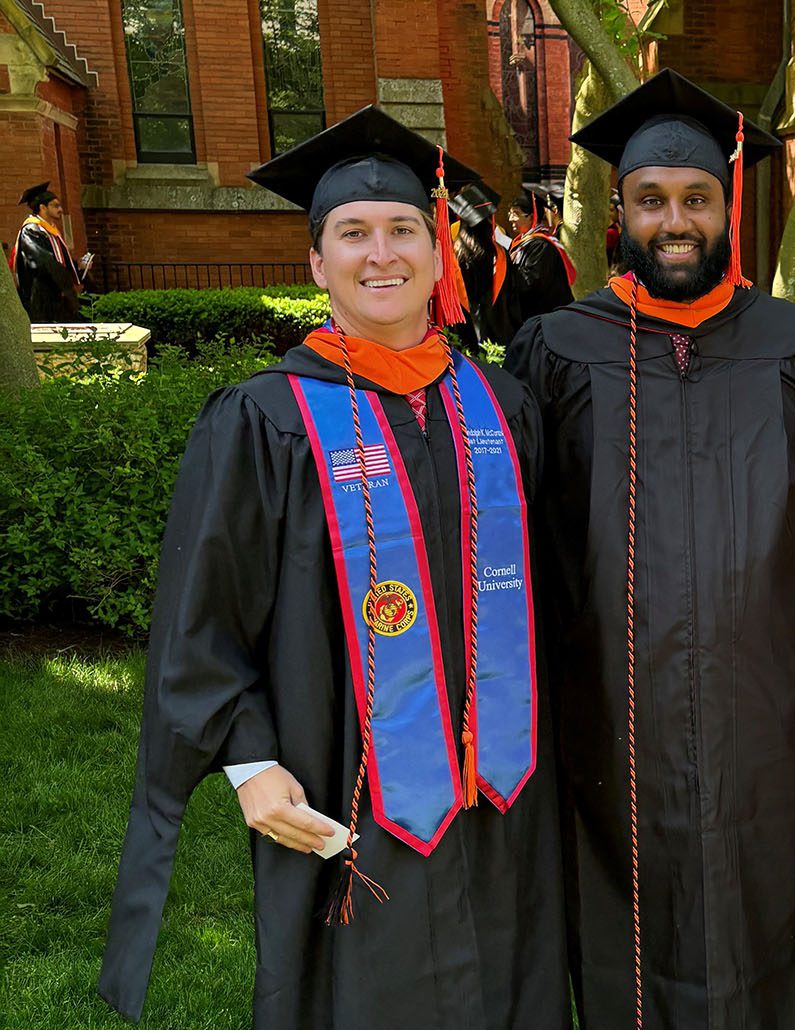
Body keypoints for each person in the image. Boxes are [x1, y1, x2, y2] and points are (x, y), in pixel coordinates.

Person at [99, 106, 569, 1028]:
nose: (381, 253)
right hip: (346, 781)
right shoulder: (265, 420)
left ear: (439, 256)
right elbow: (204, 611)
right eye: (352, 233)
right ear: (317, 263)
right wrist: (250, 764)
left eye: (404, 230)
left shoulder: (500, 404)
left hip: (504, 787)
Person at [504, 68, 795, 1028]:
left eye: (697, 198)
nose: (676, 221)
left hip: (773, 704)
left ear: (728, 204)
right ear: (618, 212)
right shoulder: (557, 348)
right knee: (625, 902)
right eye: (651, 201)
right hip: (611, 698)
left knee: (772, 886)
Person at [450, 182, 524, 350]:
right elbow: (514, 306)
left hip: (460, 346)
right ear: (490, 221)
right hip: (499, 346)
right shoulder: (501, 255)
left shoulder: (450, 258)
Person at [11, 182, 89, 321]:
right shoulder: (31, 230)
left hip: (54, 296)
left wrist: (78, 268)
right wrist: (67, 288)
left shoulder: (50, 230)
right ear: (42, 207)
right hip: (40, 298)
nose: (60, 209)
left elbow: (59, 261)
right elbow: (44, 262)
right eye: (55, 205)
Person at [505, 187, 575, 327]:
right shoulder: (523, 242)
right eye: (510, 213)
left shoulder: (541, 245)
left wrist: (504, 265)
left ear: (532, 216)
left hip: (545, 319)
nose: (510, 218)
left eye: (516, 213)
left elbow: (530, 282)